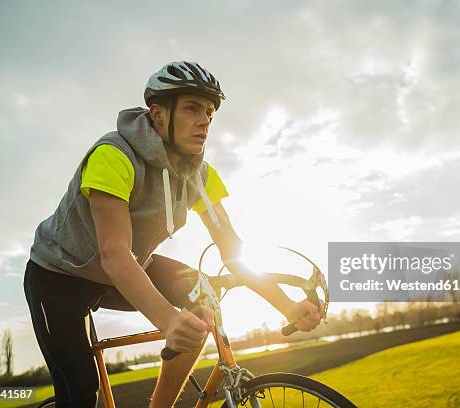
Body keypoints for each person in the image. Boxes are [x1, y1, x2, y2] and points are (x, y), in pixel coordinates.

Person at [24, 61, 324, 408]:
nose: (205, 121)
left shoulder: (200, 175)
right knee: (79, 391)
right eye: (192, 108)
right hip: (60, 276)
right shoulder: (114, 155)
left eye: (210, 113)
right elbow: (114, 254)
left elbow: (233, 251)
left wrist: (286, 305)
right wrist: (167, 319)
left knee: (202, 302)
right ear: (158, 114)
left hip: (131, 266)